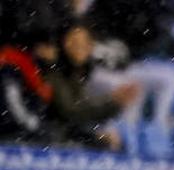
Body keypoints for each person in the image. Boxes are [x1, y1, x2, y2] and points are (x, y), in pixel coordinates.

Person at [45, 23, 136, 151]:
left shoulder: (79, 72)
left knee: (115, 144)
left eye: (84, 43)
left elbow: (79, 114)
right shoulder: (54, 71)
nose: (79, 47)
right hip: (49, 137)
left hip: (66, 134)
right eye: (74, 42)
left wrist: (95, 135)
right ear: (63, 43)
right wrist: (113, 102)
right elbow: (70, 111)